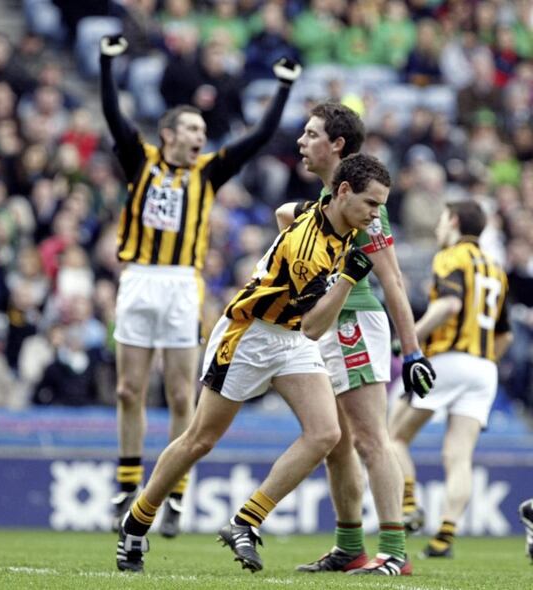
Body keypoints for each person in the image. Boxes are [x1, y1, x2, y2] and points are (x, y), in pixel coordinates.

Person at [116, 153, 387, 574]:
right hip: (249, 336)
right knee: (200, 440)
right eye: (372, 203)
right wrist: (348, 278)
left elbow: (285, 212)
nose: (377, 215)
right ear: (345, 191)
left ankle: (245, 521)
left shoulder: (325, 214)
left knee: (326, 434)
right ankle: (137, 521)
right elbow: (315, 327)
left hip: (289, 338)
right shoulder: (308, 250)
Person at [99, 34, 302, 539]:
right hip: (140, 279)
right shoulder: (140, 161)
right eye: (190, 127)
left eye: (201, 129)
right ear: (168, 133)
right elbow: (112, 114)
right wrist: (107, 63)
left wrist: (281, 88)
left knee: (179, 392)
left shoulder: (208, 173)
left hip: (182, 285)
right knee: (128, 389)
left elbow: (259, 137)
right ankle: (128, 482)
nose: (199, 135)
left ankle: (174, 492)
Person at [275, 102, 435, 576]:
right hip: (329, 327)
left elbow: (393, 282)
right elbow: (286, 214)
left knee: (370, 439)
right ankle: (349, 546)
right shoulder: (326, 201)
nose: (301, 143)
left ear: (336, 145)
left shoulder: (367, 206)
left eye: (310, 134)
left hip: (354, 326)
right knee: (337, 443)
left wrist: (413, 352)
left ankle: (394, 552)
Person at [390, 200, 512, 559]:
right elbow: (505, 336)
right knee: (458, 456)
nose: (440, 226)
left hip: (447, 359)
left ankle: (409, 506)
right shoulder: (496, 267)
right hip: (484, 367)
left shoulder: (450, 256)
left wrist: (408, 338)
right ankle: (444, 537)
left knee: (393, 435)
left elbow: (449, 306)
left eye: (442, 219)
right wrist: (482, 364)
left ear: (454, 221)